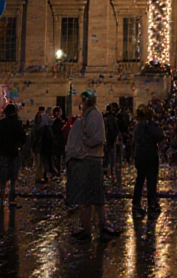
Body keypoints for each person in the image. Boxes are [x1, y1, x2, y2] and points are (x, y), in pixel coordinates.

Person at [68, 90, 119, 240]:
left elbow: (97, 138)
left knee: (94, 196)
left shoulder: (94, 115)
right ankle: (88, 227)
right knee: (89, 196)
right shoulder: (88, 115)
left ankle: (97, 227)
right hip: (86, 159)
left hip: (91, 159)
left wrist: (84, 142)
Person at [131, 104, 164, 217]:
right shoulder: (149, 125)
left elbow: (134, 139)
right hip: (150, 155)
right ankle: (152, 204)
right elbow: (159, 135)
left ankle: (136, 205)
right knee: (151, 181)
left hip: (140, 155)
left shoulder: (137, 126)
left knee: (139, 180)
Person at [0, 104, 27, 205]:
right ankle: (11, 198)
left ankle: (2, 196)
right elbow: (23, 138)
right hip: (13, 153)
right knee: (13, 178)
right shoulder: (17, 124)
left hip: (2, 153)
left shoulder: (0, 124)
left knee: (2, 178)